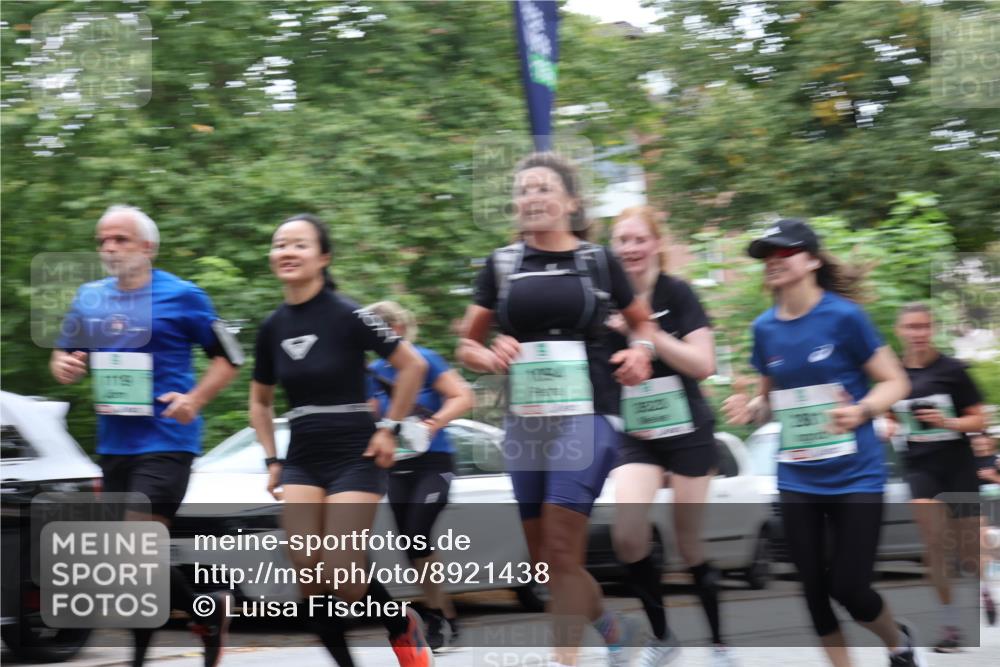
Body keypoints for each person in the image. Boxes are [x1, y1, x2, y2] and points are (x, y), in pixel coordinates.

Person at [456, 152, 658, 667]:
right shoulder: (501, 265)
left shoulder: (597, 261)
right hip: (526, 419)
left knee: (564, 552)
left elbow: (643, 325)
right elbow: (466, 346)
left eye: (543, 187)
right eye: (523, 190)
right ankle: (617, 632)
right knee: (547, 563)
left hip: (589, 413)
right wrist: (488, 354)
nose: (531, 197)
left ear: (570, 201)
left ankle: (563, 659)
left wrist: (641, 352)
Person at [51, 204, 243, 667]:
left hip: (167, 442)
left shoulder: (185, 296)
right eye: (102, 241)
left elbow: (230, 358)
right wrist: (64, 364)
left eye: (120, 239)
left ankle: (146, 654)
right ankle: (206, 611)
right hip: (114, 444)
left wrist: (195, 399)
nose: (109, 249)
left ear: (147, 247)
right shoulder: (90, 297)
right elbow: (64, 355)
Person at [721, 219, 918, 667]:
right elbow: (771, 401)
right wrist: (751, 410)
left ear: (810, 260)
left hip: (856, 477)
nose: (772, 261)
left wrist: (862, 411)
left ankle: (898, 643)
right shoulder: (764, 329)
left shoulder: (845, 317)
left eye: (783, 253)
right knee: (813, 593)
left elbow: (895, 381)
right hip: (798, 478)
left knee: (848, 588)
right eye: (766, 256)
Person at [248, 214, 433, 667]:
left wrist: (389, 427)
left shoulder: (350, 315)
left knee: (344, 577)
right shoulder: (271, 328)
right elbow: (260, 401)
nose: (287, 252)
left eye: (299, 245)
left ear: (323, 257)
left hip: (355, 451)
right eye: (279, 244)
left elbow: (413, 367)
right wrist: (272, 457)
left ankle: (401, 623)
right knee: (308, 578)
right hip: (303, 456)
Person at [605, 206, 733, 667]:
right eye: (622, 241)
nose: (630, 249)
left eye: (639, 239)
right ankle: (662, 635)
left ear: (656, 243)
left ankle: (719, 643)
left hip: (687, 432)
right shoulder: (607, 303)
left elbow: (704, 365)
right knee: (627, 537)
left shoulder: (678, 294)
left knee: (687, 544)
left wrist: (647, 333)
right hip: (638, 432)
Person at [364, 300, 474, 651]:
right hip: (397, 466)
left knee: (417, 533)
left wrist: (433, 423)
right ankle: (446, 614)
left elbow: (463, 396)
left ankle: (436, 616)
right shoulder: (371, 371)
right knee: (411, 546)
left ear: (395, 330)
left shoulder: (425, 359)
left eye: (376, 329)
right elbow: (368, 418)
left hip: (434, 462)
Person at [891, 302, 988, 651]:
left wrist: (947, 422)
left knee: (970, 552)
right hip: (921, 467)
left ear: (932, 329)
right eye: (911, 327)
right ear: (900, 331)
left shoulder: (953, 370)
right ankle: (950, 627)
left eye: (924, 326)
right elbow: (886, 415)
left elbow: (979, 420)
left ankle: (987, 588)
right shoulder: (894, 375)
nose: (918, 333)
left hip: (958, 465)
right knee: (933, 543)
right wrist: (887, 425)